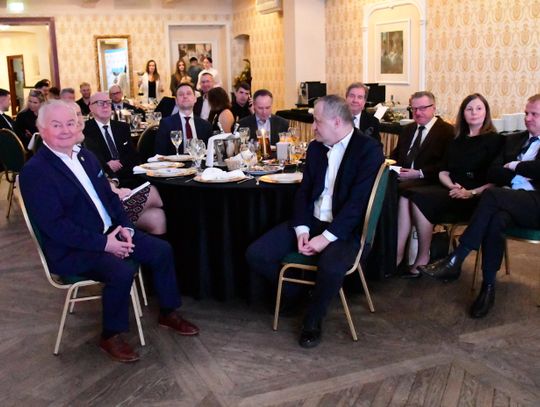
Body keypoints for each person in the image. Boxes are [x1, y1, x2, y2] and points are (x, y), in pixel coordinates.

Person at [20, 100, 199, 363]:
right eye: (56, 125)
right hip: (73, 248)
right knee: (120, 271)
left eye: (70, 123)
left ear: (78, 125)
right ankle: (110, 335)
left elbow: (111, 199)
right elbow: (56, 227)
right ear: (41, 129)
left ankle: (168, 312)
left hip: (111, 232)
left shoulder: (85, 156)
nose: (65, 130)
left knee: (162, 250)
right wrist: (105, 244)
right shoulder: (36, 171)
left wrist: (125, 227)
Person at [246, 95, 384, 348]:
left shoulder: (368, 149)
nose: (313, 127)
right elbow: (304, 192)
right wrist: (302, 229)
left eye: (317, 121)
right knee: (257, 254)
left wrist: (326, 238)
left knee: (330, 268)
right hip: (312, 221)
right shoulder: (316, 148)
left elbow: (357, 205)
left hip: (345, 229)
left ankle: (313, 319)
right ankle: (296, 293)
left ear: (336, 121)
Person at [419, 94, 540, 318]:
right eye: (526, 113)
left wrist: (515, 166)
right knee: (496, 220)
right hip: (511, 199)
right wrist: (519, 171)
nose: (528, 118)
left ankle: (457, 257)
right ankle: (488, 287)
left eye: (534, 114)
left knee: (492, 195)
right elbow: (493, 172)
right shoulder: (514, 139)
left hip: (536, 205)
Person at [397, 94, 503, 278]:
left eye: (479, 108)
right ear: (463, 113)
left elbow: (497, 180)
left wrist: (470, 192)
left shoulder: (495, 140)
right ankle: (409, 255)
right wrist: (453, 187)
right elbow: (443, 172)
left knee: (419, 198)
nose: (474, 113)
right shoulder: (456, 139)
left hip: (478, 197)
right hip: (451, 190)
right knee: (411, 194)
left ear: (486, 112)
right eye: (469, 109)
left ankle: (422, 257)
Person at [83, 92, 141, 188]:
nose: (105, 106)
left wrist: (119, 164)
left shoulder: (122, 127)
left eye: (108, 102)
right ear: (91, 107)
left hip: (129, 176)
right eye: (100, 103)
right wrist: (106, 166)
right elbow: (87, 160)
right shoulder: (84, 131)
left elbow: (133, 155)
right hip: (104, 180)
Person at [155, 83, 213, 155]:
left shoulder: (206, 126)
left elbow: (210, 153)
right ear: (176, 101)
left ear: (195, 99)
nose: (185, 96)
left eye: (188, 93)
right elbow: (160, 154)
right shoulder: (166, 124)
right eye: (181, 94)